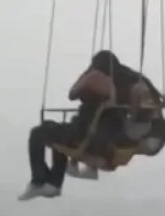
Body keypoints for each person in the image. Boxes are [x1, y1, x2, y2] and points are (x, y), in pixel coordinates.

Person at [19, 50, 134, 201]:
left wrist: (87, 73)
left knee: (37, 133)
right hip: (98, 135)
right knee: (55, 132)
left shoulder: (96, 78)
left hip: (82, 133)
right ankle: (53, 183)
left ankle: (39, 180)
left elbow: (72, 94)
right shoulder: (120, 86)